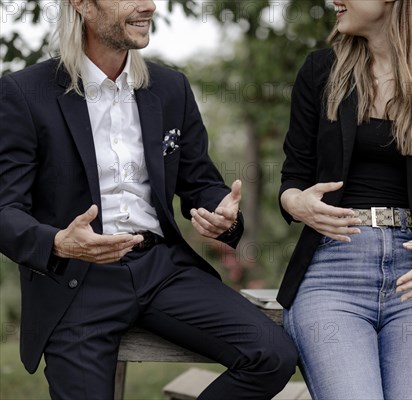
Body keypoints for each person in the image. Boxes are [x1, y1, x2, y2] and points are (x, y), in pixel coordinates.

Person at [0, 0, 297, 398]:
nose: (149, 5)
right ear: (83, 6)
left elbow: (199, 182)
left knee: (273, 355)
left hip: (162, 269)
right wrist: (57, 242)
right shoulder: (24, 92)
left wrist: (219, 210)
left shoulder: (170, 87)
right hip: (77, 280)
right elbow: (5, 210)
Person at [278, 1, 412, 399]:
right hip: (333, 274)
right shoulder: (320, 72)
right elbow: (293, 178)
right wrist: (297, 203)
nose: (333, 1)